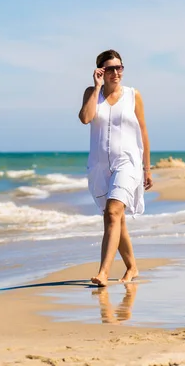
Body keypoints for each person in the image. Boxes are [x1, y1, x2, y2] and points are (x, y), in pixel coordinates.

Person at [78, 49, 153, 287]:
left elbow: (143, 131)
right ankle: (132, 267)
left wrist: (147, 169)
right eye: (110, 68)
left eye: (119, 67)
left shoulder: (133, 95)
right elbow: (85, 118)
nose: (116, 72)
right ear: (100, 71)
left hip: (127, 163)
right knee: (115, 219)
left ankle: (103, 272)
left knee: (112, 213)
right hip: (100, 166)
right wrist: (97, 87)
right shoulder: (92, 93)